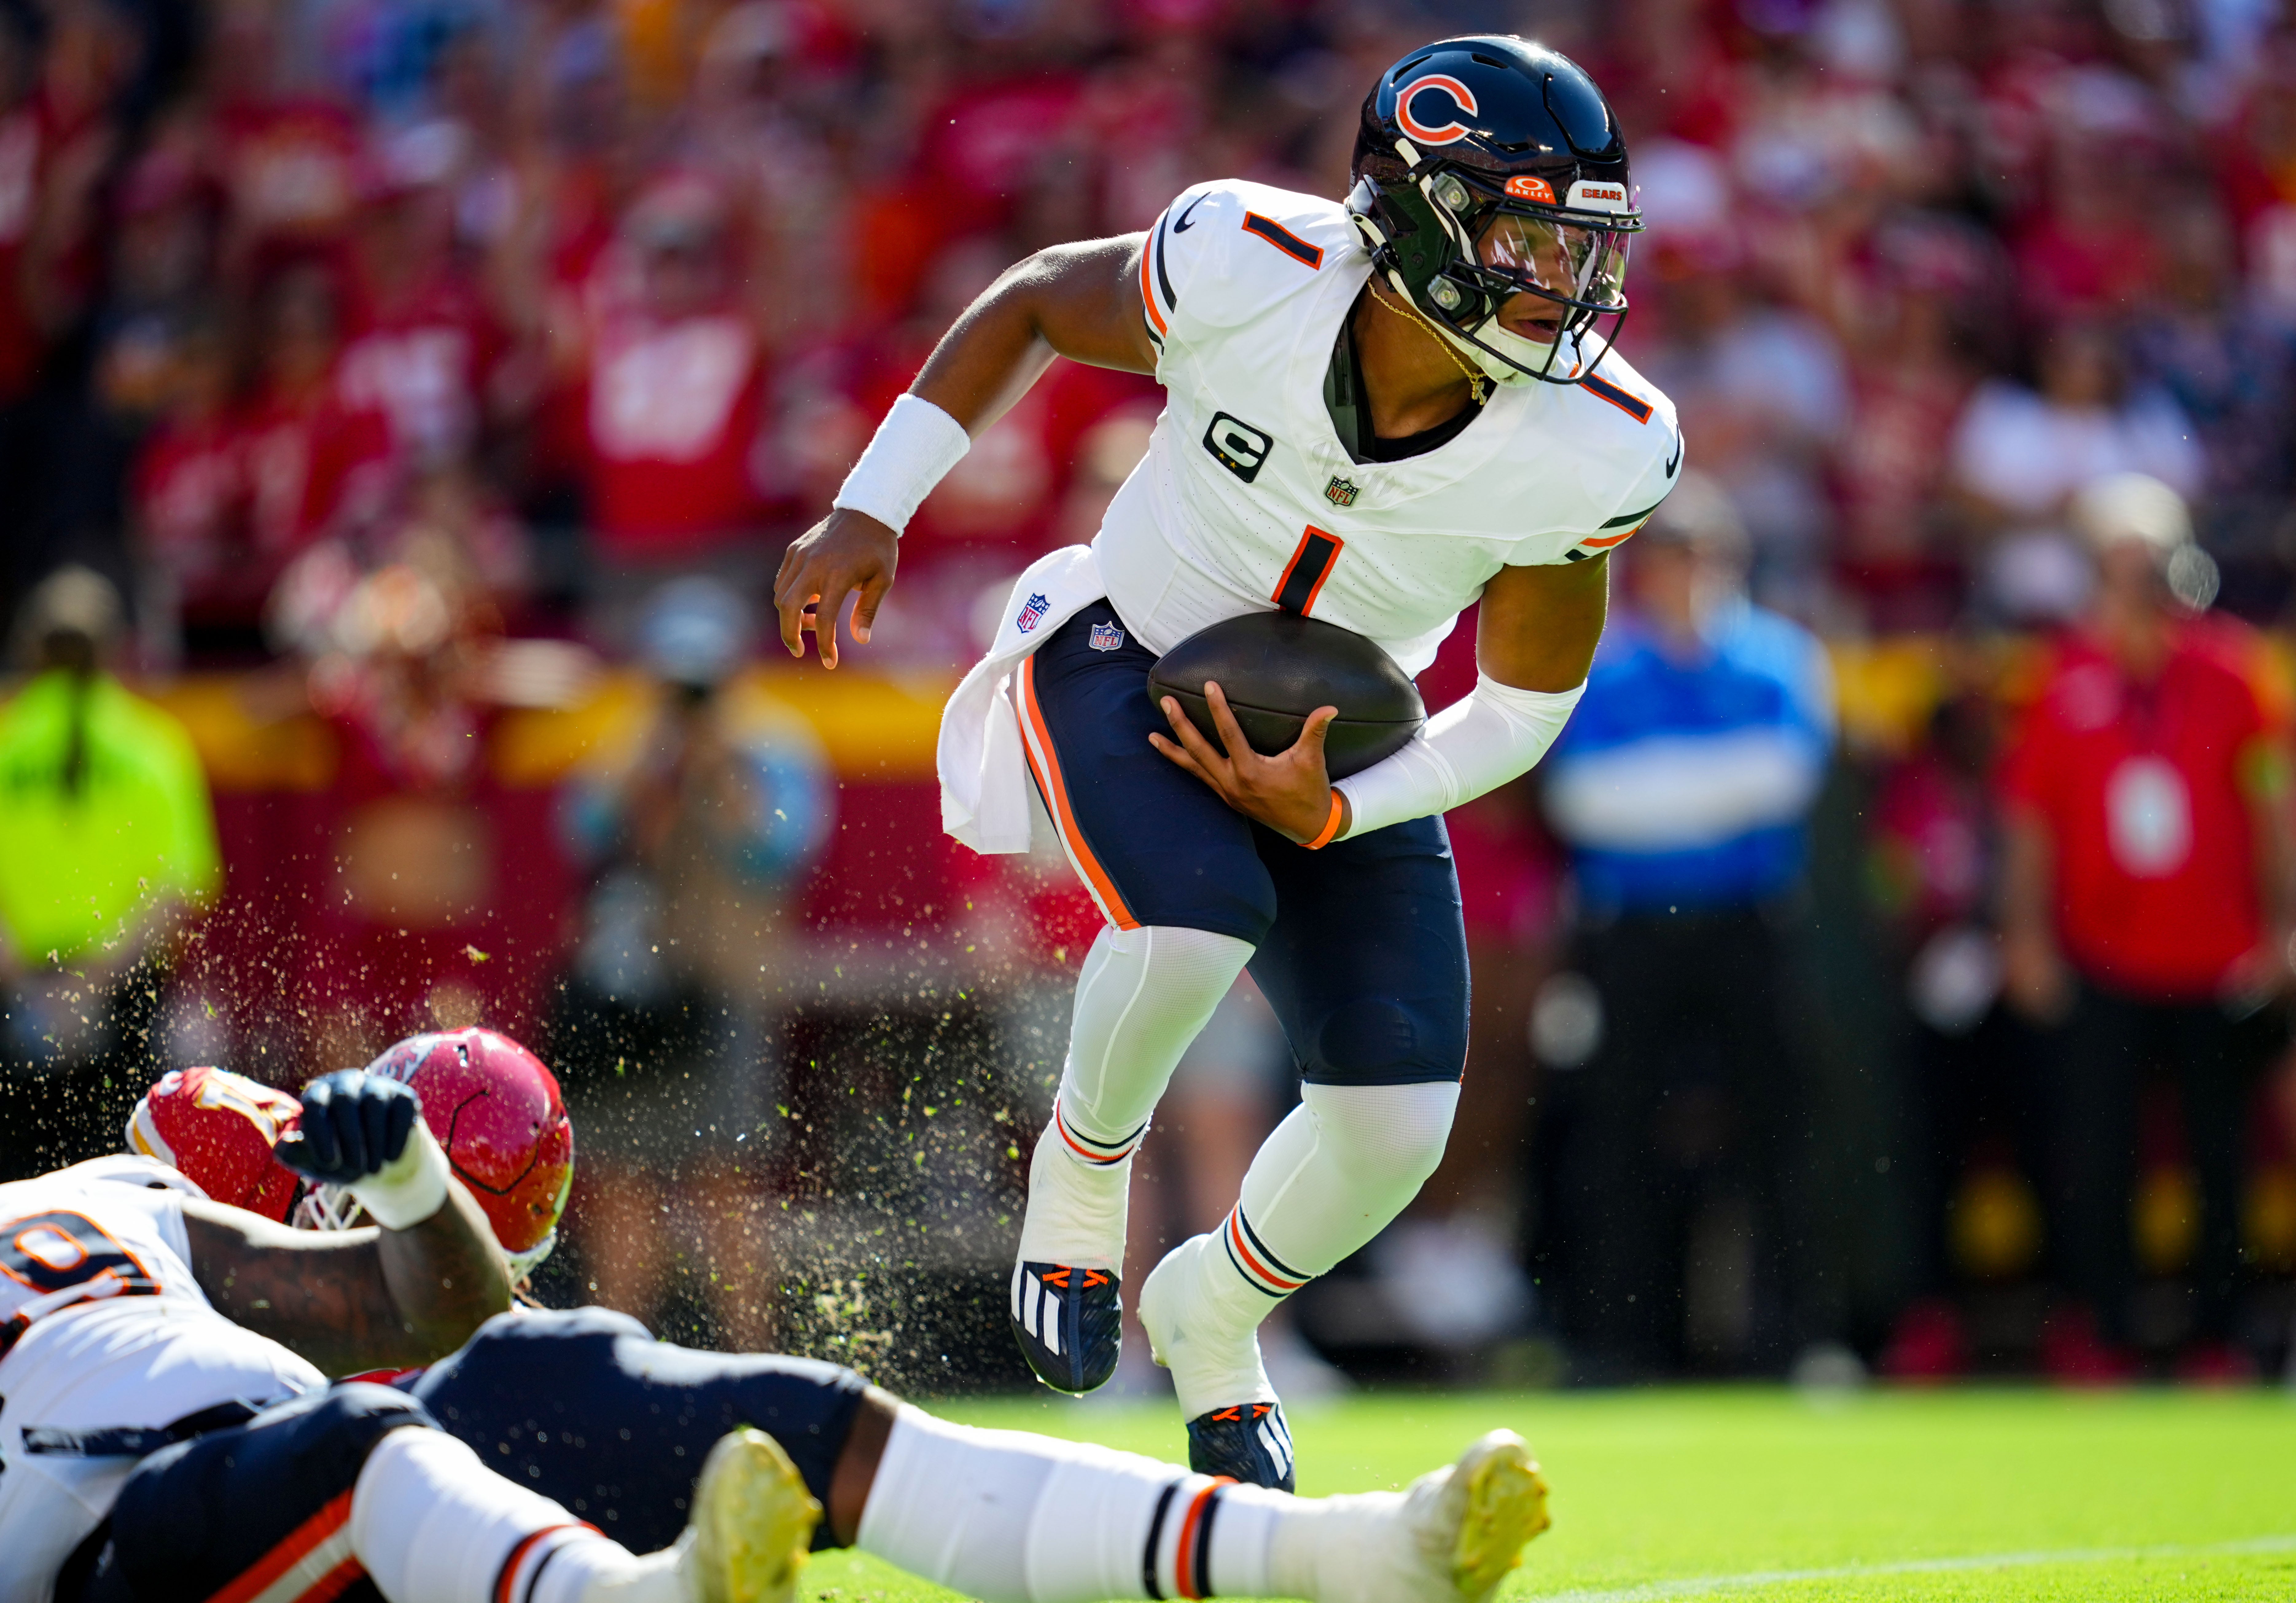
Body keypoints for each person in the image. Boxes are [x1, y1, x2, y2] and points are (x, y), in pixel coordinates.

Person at [771, 35, 1678, 1488]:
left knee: (1395, 1125)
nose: (1565, 284)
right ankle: (1083, 1159)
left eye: (1583, 247)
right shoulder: (1247, 261)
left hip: (1343, 738)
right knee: (1193, 920)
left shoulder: (1599, 443)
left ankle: (1213, 1309)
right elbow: (1028, 306)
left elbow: (1518, 709)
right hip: (1128, 647)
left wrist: (1343, 805)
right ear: (1419, 221)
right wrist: (871, 506)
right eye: (1526, 236)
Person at [31, 1044, 1554, 1603]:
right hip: (146, 1517)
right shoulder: (172, 1185)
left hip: (325, 1460)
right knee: (373, 1432)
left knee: (808, 1421)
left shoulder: (162, 1225)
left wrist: (411, 1181)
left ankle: (1350, 1552)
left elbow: (424, 1308)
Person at [1997, 471, 2295, 1382]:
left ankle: (2219, 1332)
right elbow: (2028, 823)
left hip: (2217, 958)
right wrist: (2025, 937)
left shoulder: (2231, 672)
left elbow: (2270, 806)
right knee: (2097, 1151)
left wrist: (2281, 925)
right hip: (2101, 956)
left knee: (2220, 1155)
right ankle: (2102, 1328)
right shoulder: (2060, 682)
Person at [1538, 472, 1835, 1379]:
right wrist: (1716, 789)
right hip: (1631, 933)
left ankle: (1795, 1340)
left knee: (1779, 1127)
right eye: (1668, 555)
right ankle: (1618, 1341)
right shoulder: (1604, 664)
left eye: (1702, 552)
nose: (1686, 571)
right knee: (1618, 1132)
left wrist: (1657, 792)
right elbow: (1583, 801)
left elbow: (1786, 776)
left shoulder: (1779, 657)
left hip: (1747, 925)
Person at [0, 567, 220, 1180]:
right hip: (124, 1010)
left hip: (18, 999)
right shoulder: (154, 747)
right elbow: (178, 892)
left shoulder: (5, 742)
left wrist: (32, 987)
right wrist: (94, 985)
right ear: (121, 651)